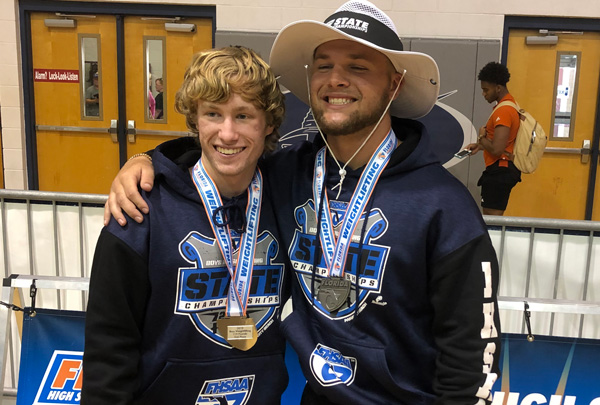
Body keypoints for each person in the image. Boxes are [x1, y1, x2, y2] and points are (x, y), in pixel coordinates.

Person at [104, 1, 502, 404]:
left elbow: (470, 359)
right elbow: (221, 154)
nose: (336, 79)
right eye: (324, 65)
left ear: (394, 84)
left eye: (358, 67)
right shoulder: (287, 174)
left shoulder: (445, 206)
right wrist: (145, 161)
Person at [82, 46, 289, 404]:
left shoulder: (289, 200)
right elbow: (109, 346)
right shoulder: (140, 209)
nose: (227, 133)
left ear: (268, 123)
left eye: (243, 116)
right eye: (213, 114)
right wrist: (142, 159)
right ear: (195, 121)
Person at [466, 61, 522, 216]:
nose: (484, 94)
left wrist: (482, 137)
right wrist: (480, 146)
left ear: (498, 88)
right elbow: (503, 142)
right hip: (501, 169)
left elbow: (497, 149)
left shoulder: (503, 111)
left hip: (500, 171)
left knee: (492, 221)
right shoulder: (510, 105)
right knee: (492, 220)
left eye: (486, 90)